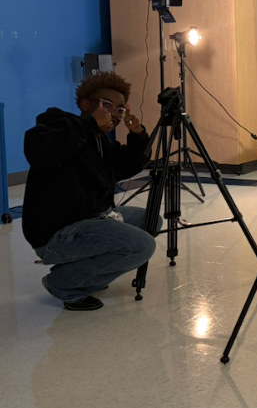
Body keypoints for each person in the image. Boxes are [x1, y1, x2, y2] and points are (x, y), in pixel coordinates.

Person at [22, 72, 158, 311]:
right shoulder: (57, 123)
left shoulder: (100, 142)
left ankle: (84, 271)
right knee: (142, 246)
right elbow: (39, 151)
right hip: (59, 231)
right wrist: (88, 123)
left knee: (151, 220)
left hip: (94, 218)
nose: (113, 114)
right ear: (86, 104)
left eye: (119, 110)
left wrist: (137, 135)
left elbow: (128, 164)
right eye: (106, 105)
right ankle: (64, 284)